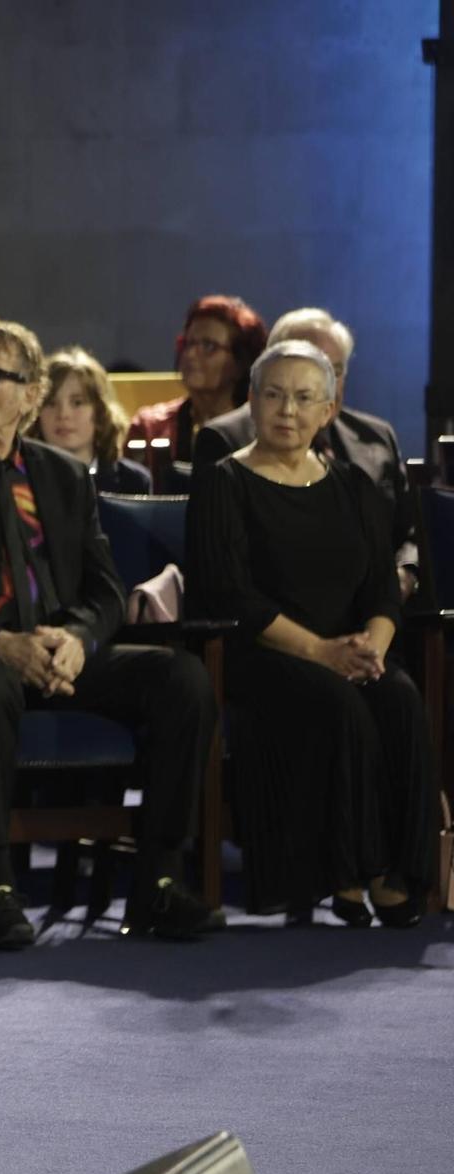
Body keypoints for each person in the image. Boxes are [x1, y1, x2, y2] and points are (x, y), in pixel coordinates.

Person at [0, 317, 219, 949]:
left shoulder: (64, 476)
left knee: (182, 677)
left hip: (62, 653)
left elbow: (104, 590)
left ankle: (157, 882)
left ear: (28, 394)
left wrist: (77, 639)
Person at [187, 341, 432, 928]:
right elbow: (230, 594)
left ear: (329, 411)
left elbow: (380, 588)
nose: (287, 411)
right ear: (252, 401)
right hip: (259, 652)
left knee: (398, 695)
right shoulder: (225, 482)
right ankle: (352, 871)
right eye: (273, 395)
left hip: (346, 648)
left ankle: (402, 868)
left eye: (303, 399)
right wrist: (322, 651)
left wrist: (370, 645)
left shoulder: (351, 485)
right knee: (339, 702)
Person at [192, 308, 418, 599]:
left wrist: (403, 576)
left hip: (379, 605)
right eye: (311, 364)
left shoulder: (376, 436)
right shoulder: (226, 440)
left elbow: (411, 529)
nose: (327, 382)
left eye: (335, 370)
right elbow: (226, 571)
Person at [126, 294, 266, 473]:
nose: (190, 355)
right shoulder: (150, 427)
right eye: (188, 343)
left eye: (208, 346)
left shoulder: (260, 429)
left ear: (241, 361)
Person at [33, 346, 153, 495]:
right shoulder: (22, 479)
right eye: (51, 403)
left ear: (100, 412)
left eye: (77, 403)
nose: (63, 414)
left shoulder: (133, 481)